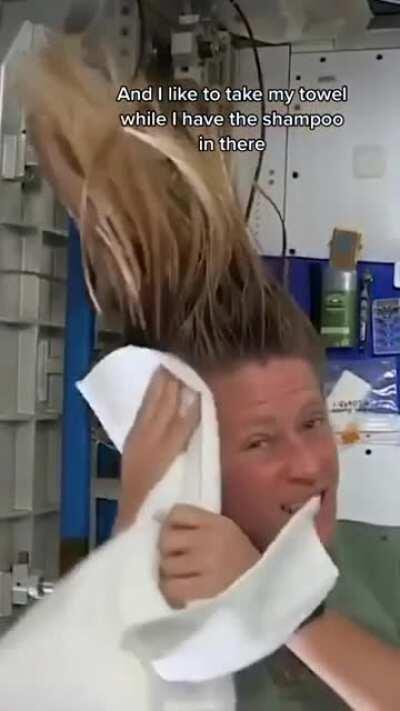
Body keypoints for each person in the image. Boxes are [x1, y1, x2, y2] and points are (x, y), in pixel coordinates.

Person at [20, 36, 400, 711]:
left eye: (311, 421)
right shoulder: (157, 643)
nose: (310, 463)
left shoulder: (385, 561)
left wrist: (277, 605)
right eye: (259, 441)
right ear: (192, 463)